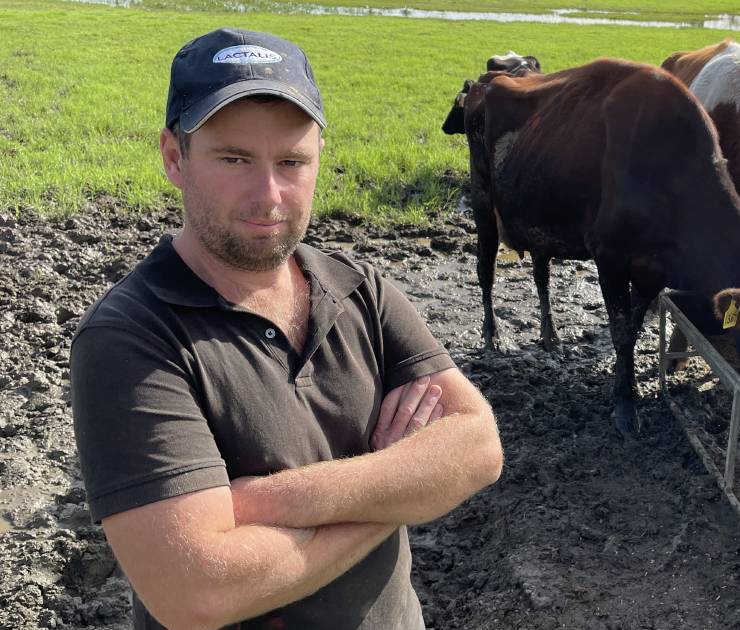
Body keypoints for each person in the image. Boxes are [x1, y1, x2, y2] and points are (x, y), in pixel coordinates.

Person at [69, 27, 503, 629]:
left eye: (292, 161)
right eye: (234, 158)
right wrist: (401, 487)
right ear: (174, 156)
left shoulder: (361, 290)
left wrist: (270, 500)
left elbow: (478, 448)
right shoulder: (131, 338)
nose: (269, 195)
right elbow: (195, 591)